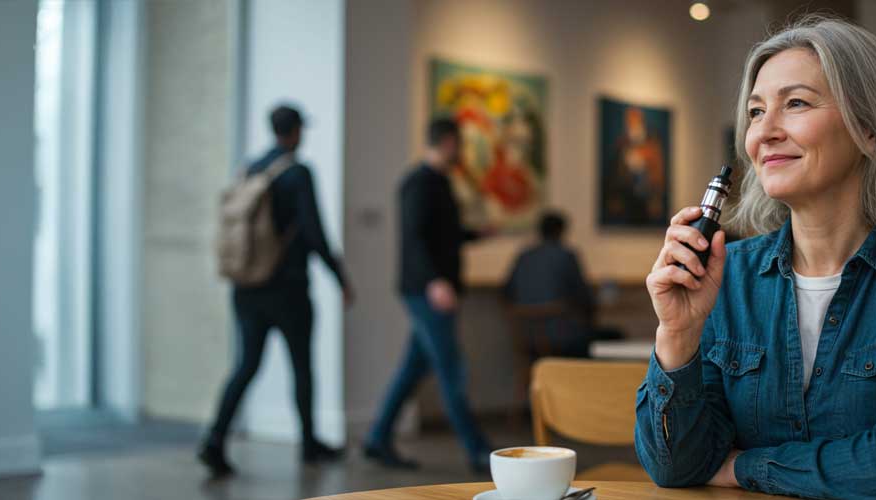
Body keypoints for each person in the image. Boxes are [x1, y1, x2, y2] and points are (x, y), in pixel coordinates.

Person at [634, 15, 876, 500]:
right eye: (757, 112)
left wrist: (741, 467)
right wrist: (677, 335)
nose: (765, 133)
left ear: (871, 127)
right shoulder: (727, 274)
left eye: (796, 103)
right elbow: (676, 467)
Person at [199, 105, 352, 477]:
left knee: (246, 364)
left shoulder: (250, 168)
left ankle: (215, 440)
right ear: (296, 131)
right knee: (301, 366)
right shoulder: (297, 173)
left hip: (246, 286)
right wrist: (340, 278)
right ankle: (309, 444)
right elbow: (315, 233)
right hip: (288, 287)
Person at [363, 118, 492, 473]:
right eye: (459, 144)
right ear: (447, 142)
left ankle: (377, 437)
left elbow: (444, 236)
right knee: (451, 369)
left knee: (412, 368)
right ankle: (477, 448)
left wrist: (476, 234)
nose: (461, 151)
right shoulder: (417, 184)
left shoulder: (441, 183)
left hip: (435, 288)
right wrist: (435, 281)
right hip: (426, 291)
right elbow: (415, 239)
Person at [503, 211, 616, 358]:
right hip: (563, 337)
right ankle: (587, 380)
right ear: (561, 231)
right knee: (612, 336)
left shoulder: (524, 256)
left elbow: (506, 292)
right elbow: (584, 298)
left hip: (527, 337)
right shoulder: (566, 256)